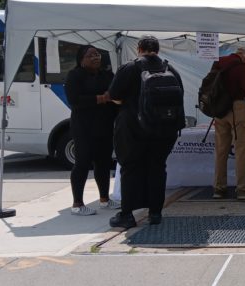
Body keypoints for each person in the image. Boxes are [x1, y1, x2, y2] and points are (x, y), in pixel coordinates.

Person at [108, 35, 183, 228]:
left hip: (133, 128)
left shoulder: (129, 68)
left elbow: (114, 97)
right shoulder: (170, 69)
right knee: (157, 168)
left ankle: (127, 215)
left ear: (139, 49)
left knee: (130, 169)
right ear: (157, 50)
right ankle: (155, 213)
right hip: (164, 130)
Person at [64, 45, 119, 216]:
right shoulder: (74, 75)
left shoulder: (106, 74)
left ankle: (104, 199)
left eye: (97, 54)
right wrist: (101, 98)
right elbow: (74, 100)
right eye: (91, 55)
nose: (96, 57)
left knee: (103, 163)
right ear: (82, 59)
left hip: (104, 125)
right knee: (82, 163)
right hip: (84, 127)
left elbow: (115, 93)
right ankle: (77, 204)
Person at [212, 47, 245, 200]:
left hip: (219, 109)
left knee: (221, 151)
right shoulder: (241, 67)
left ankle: (219, 189)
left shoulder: (218, 62)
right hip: (237, 108)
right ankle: (242, 189)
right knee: (241, 150)